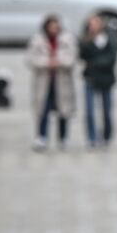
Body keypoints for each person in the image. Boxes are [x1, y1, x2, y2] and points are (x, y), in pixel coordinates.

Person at [27, 15, 78, 150]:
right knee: (43, 110)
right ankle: (41, 137)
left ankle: (63, 138)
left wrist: (59, 61)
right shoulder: (38, 40)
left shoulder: (67, 39)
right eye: (52, 26)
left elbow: (72, 58)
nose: (54, 29)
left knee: (63, 110)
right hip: (44, 82)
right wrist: (47, 62)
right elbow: (31, 59)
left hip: (62, 81)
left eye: (56, 26)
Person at [79, 13, 117, 149]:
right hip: (90, 78)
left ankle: (106, 136)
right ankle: (92, 137)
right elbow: (82, 56)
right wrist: (88, 40)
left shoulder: (109, 39)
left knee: (106, 111)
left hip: (106, 78)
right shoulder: (86, 40)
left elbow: (112, 57)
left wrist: (96, 62)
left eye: (95, 23)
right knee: (90, 111)